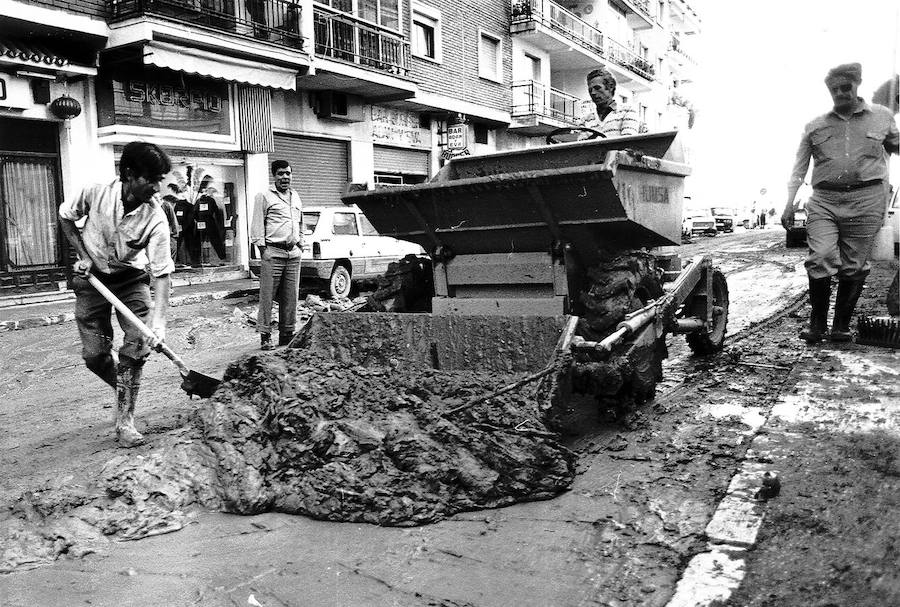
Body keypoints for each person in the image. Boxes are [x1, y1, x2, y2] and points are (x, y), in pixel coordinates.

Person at [58, 141, 174, 447]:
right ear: (129, 174)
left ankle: (125, 421)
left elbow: (161, 274)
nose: (157, 188)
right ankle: (124, 385)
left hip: (131, 279)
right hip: (92, 278)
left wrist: (158, 324)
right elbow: (65, 216)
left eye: (160, 180)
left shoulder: (156, 217)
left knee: (137, 344)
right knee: (94, 355)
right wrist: (82, 253)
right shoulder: (94, 192)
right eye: (151, 179)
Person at [781, 62, 899, 343]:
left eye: (845, 87)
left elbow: (896, 146)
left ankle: (840, 326)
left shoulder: (882, 117)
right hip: (824, 199)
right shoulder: (815, 126)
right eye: (834, 90)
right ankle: (817, 324)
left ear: (857, 85)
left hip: (867, 199)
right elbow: (798, 169)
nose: (840, 93)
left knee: (853, 265)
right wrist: (788, 204)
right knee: (820, 256)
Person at [250, 159, 303, 350]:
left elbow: (300, 222)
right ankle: (265, 336)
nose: (285, 177)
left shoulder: (295, 196)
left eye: (288, 173)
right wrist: (263, 252)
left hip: (293, 254)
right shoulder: (264, 196)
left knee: (291, 296)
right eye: (281, 173)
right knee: (267, 296)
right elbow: (257, 226)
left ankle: (287, 334)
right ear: (274, 176)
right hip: (273, 252)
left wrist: (301, 244)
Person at [580, 65, 641, 137]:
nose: (593, 93)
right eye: (590, 90)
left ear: (610, 87)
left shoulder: (627, 111)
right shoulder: (585, 120)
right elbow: (582, 146)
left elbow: (628, 143)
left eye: (597, 88)